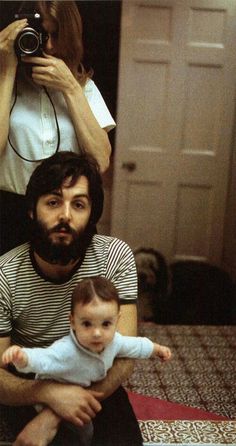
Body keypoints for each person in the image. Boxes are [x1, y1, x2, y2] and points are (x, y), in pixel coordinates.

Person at [0, 151, 144, 446]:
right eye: (53, 202)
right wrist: (49, 394)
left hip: (97, 377)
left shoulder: (115, 258)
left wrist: (51, 416)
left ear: (92, 214)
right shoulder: (4, 274)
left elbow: (125, 356)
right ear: (32, 210)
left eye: (78, 204)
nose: (65, 215)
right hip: (30, 383)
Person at [0, 0, 115, 254]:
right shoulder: (4, 87)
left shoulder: (84, 88)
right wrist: (6, 69)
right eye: (42, 34)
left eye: (57, 35)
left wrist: (70, 88)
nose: (49, 46)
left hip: (68, 214)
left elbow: (101, 160)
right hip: (9, 214)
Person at [2, 276, 172, 445]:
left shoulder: (115, 341)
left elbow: (136, 345)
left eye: (106, 324)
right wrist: (22, 358)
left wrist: (156, 349)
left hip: (88, 390)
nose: (97, 333)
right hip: (52, 398)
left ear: (117, 321)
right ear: (73, 322)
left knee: (90, 433)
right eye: (87, 324)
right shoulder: (66, 350)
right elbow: (42, 359)